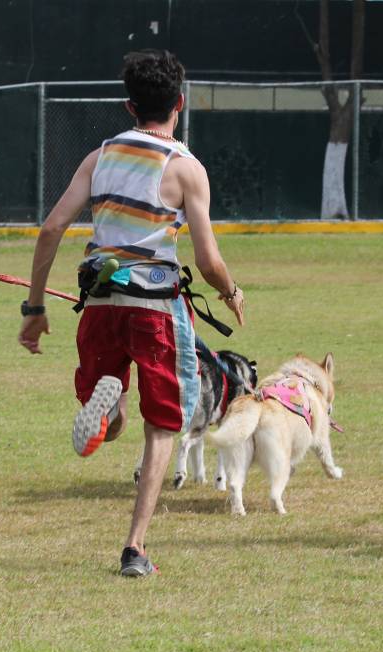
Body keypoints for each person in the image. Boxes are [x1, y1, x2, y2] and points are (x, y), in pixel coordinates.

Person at [18, 49, 245, 576]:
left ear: (129, 106)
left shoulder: (100, 157)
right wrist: (232, 291)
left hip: (100, 303)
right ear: (179, 104)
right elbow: (208, 261)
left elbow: (52, 228)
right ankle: (135, 548)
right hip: (156, 308)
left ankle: (111, 411)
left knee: (114, 414)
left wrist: (35, 306)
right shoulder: (185, 168)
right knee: (164, 424)